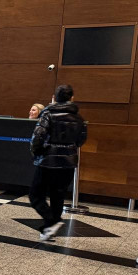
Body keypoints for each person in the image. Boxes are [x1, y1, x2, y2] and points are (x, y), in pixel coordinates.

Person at [29, 84, 87, 241]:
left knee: (35, 195)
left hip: (48, 161)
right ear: (72, 98)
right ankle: (49, 230)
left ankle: (51, 221)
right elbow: (81, 140)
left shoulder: (48, 114)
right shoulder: (79, 119)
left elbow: (37, 137)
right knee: (58, 195)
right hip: (68, 163)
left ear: (54, 98)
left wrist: (37, 152)